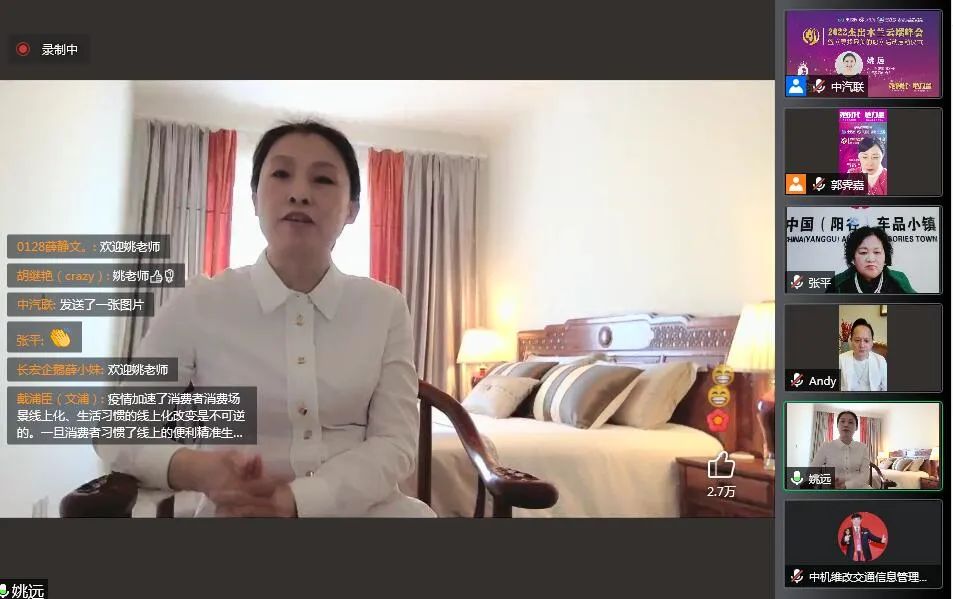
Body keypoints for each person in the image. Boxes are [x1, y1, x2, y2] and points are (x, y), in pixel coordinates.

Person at [95, 120, 435, 518]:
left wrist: (297, 500)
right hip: (236, 512)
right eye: (281, 174)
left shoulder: (384, 307)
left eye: (323, 179)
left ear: (352, 210)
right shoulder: (201, 302)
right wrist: (201, 469)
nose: (299, 193)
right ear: (255, 198)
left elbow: (396, 442)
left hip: (366, 510)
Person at [826, 226, 915, 293]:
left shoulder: (899, 282)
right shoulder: (837, 284)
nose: (871, 259)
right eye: (863, 252)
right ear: (852, 258)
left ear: (885, 257)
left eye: (877, 252)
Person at [811, 411, 873, 489]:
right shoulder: (826, 446)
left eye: (850, 422)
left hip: (858, 487)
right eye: (842, 421)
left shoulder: (863, 447)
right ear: (837, 426)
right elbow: (812, 471)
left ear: (856, 427)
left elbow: (865, 475)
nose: (846, 425)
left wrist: (847, 485)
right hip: (832, 488)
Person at [839, 319, 887, 392]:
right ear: (851, 341)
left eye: (866, 341)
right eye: (857, 340)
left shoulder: (880, 361)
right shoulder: (841, 359)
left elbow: (886, 388)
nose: (862, 345)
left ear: (872, 342)